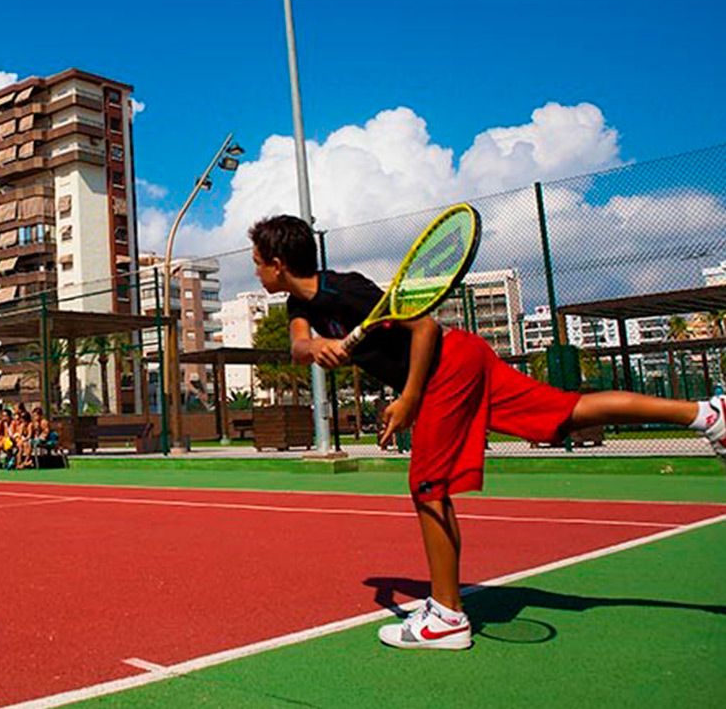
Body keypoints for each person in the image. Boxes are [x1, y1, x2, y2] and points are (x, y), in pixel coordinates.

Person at [248, 214, 726, 651]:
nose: (255, 273)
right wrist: (317, 344)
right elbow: (296, 345)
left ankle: (447, 616)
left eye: (257, 264)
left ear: (278, 263)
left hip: (444, 367)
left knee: (428, 486)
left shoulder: (346, 290)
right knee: (564, 413)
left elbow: (425, 327)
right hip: (463, 359)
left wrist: (411, 398)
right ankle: (706, 415)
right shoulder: (298, 300)